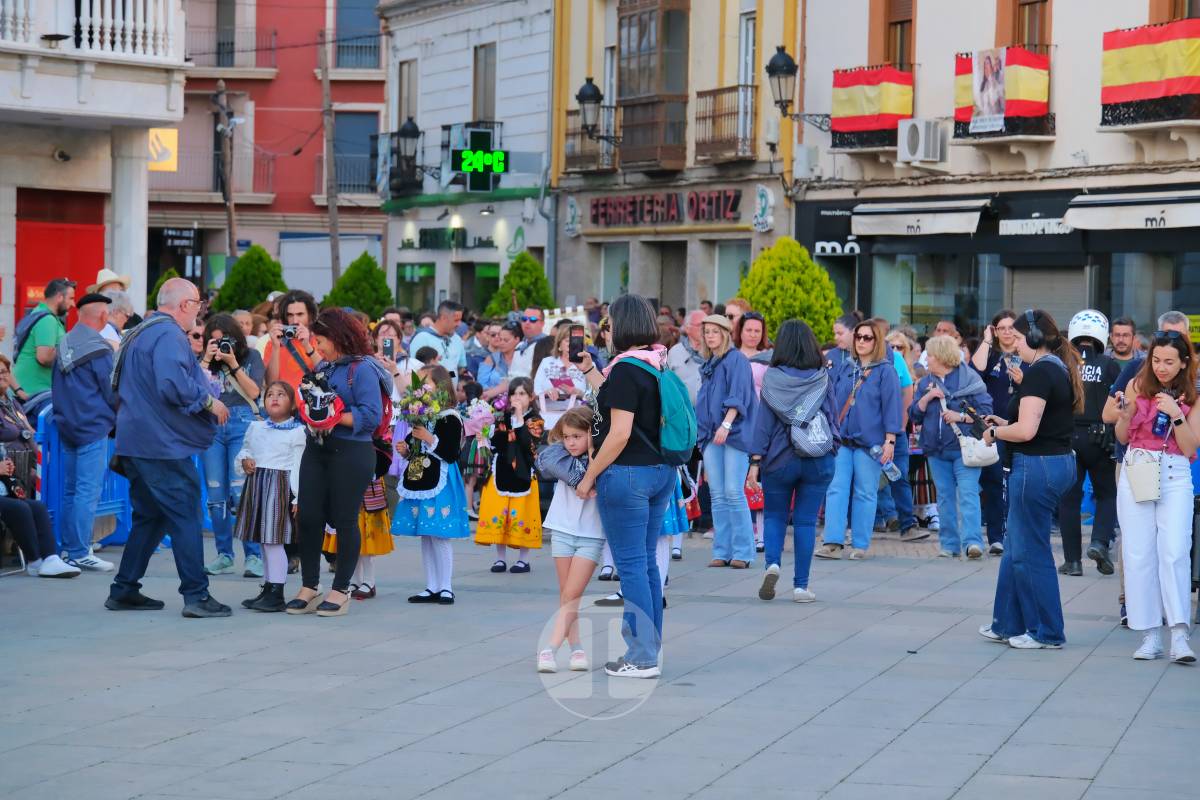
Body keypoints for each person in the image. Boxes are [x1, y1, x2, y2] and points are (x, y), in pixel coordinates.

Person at [106, 277, 233, 618]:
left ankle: (124, 589)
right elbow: (173, 385)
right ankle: (196, 596)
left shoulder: (141, 332)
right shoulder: (167, 335)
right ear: (183, 306)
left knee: (151, 517)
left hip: (137, 442)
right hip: (162, 445)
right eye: (197, 305)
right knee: (186, 516)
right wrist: (210, 402)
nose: (199, 311)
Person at [575, 294, 677, 679]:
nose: (607, 331)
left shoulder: (625, 370)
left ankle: (641, 655)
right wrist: (590, 372)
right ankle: (650, 647)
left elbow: (618, 433)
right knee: (646, 563)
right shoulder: (655, 364)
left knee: (631, 565)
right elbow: (620, 401)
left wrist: (588, 476)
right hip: (660, 472)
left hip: (628, 474)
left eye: (610, 323)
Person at [980, 309, 1082, 649]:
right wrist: (1003, 423)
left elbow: (1026, 430)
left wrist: (995, 431)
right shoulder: (1055, 368)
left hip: (1037, 466)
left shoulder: (1039, 372)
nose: (1015, 345)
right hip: (1053, 463)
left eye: (1020, 338)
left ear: (1036, 339)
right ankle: (1006, 623)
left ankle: (1047, 631)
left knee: (1030, 550)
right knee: (1015, 547)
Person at [288, 309, 390, 618]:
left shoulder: (362, 370)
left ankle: (341, 588)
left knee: (345, 520)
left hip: (352, 451)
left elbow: (371, 416)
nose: (318, 346)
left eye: (321, 340)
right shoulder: (329, 368)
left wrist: (334, 417)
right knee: (308, 516)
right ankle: (309, 586)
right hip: (317, 448)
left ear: (337, 338)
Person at [1112, 330, 1197, 664]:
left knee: (1175, 551)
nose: (1161, 368)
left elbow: (1191, 446)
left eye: (1169, 362)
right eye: (1156, 360)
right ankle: (1149, 634)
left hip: (1175, 472)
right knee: (1138, 553)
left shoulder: (1194, 392)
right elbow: (1122, 435)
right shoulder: (1137, 384)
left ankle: (1179, 633)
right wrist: (1125, 415)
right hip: (1137, 468)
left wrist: (1176, 413)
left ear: (1183, 363)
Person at [748, 320, 837, 603]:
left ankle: (772, 563)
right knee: (806, 521)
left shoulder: (772, 378)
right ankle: (801, 586)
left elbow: (762, 423)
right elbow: (833, 417)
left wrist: (755, 461)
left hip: (778, 458)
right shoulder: (823, 377)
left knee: (774, 515)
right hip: (816, 457)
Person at [817, 319, 901, 561]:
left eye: (868, 337)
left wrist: (890, 441)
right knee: (836, 489)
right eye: (859, 337)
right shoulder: (846, 368)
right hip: (843, 440)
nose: (862, 341)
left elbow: (892, 409)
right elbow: (831, 403)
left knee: (865, 492)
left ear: (877, 342)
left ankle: (860, 544)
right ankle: (832, 541)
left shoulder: (886, 371)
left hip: (871, 443)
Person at [51, 293, 118, 572]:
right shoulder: (99, 348)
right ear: (103, 317)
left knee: (71, 490)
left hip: (67, 425)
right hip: (93, 426)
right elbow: (111, 390)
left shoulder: (64, 343)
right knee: (87, 491)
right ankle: (80, 551)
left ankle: (69, 548)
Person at [394, 365, 471, 605]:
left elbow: (450, 453)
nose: (423, 388)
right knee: (425, 535)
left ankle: (446, 586)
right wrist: (406, 451)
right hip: (421, 480)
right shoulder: (422, 416)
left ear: (440, 387)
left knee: (438, 534)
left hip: (441, 481)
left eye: (427, 383)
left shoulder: (449, 417)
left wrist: (429, 438)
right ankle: (431, 586)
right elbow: (415, 447)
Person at [911, 335, 993, 560]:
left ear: (942, 357)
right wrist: (925, 399)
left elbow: (985, 412)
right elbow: (914, 415)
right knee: (945, 498)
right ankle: (949, 545)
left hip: (964, 448)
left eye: (931, 355)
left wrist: (961, 416)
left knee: (968, 494)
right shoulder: (926, 382)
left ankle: (973, 543)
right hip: (935, 450)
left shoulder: (969, 379)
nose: (926, 360)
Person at [535, 407, 603, 672]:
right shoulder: (560, 455)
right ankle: (576, 650)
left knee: (573, 593)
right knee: (567, 595)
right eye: (567, 436)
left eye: (577, 436)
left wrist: (594, 454)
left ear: (591, 434)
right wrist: (580, 481)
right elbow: (545, 459)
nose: (571, 442)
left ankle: (549, 649)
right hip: (561, 528)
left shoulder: (602, 458)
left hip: (592, 534)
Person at [199, 313, 266, 579]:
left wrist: (232, 363)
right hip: (211, 428)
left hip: (243, 426)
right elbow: (194, 388)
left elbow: (254, 392)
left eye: (223, 340)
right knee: (216, 497)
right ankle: (224, 555)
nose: (218, 346)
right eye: (213, 342)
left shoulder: (251, 357)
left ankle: (253, 556)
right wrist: (206, 358)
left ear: (235, 338)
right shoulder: (204, 362)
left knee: (242, 495)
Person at [1057, 310, 1121, 577]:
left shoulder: (1063, 363)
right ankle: (1099, 542)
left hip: (1068, 436)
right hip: (1100, 437)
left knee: (1069, 499)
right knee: (1106, 493)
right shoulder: (1110, 365)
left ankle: (1072, 561)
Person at [235, 381, 306, 612]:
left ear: (293, 404)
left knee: (273, 541)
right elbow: (246, 449)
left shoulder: (298, 432)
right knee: (264, 542)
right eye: (270, 395)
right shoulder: (256, 427)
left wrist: (298, 497)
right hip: (257, 485)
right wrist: (245, 460)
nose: (274, 398)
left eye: (281, 395)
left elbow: (298, 466)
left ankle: (277, 592)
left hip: (279, 487)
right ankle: (268, 587)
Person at [696, 314, 757, 569]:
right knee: (718, 494)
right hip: (710, 433)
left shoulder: (737, 360)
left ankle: (743, 551)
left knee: (733, 491)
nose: (710, 335)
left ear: (725, 333)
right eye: (707, 331)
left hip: (733, 432)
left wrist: (726, 424)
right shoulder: (710, 362)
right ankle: (722, 550)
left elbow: (739, 395)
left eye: (715, 331)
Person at [475, 377, 544, 573]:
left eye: (522, 394)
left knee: (521, 514)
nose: (517, 398)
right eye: (514, 393)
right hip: (501, 470)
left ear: (531, 397)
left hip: (523, 472)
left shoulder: (536, 420)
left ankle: (524, 559)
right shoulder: (501, 417)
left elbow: (528, 444)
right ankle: (500, 558)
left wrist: (520, 418)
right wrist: (486, 436)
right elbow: (498, 442)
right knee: (500, 513)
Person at [970, 310, 1024, 554]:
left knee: (1016, 483)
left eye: (1011, 327)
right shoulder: (990, 355)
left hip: (1020, 425)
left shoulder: (1026, 354)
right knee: (994, 482)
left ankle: (1015, 532)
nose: (1007, 332)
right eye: (1001, 328)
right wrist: (987, 340)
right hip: (992, 428)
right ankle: (996, 537)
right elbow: (975, 370)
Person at [13, 277, 75, 400]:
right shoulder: (47, 320)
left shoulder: (37, 312)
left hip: (28, 392)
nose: (73, 304)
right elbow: (44, 357)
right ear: (59, 297)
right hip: (34, 396)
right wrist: (71, 352)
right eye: (71, 298)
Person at [533, 325, 588, 429]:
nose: (571, 345)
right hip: (548, 419)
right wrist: (547, 392)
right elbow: (535, 392)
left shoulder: (589, 364)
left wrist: (579, 393)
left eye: (575, 341)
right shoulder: (547, 362)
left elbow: (596, 395)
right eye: (567, 341)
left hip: (578, 419)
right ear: (559, 344)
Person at [264, 290, 319, 390]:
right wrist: (276, 347)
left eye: (300, 314)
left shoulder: (320, 340)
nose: (295, 321)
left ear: (310, 315)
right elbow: (271, 383)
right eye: (290, 315)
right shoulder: (274, 343)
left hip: (312, 403)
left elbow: (328, 373)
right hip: (287, 403)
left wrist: (307, 345)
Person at [407, 300, 467, 382]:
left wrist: (449, 377)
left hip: (452, 393)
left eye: (460, 320)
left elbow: (460, 368)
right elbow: (415, 370)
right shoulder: (422, 338)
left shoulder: (457, 339)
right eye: (456, 320)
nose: (459, 324)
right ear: (443, 318)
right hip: (429, 393)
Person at [665, 310, 705, 404]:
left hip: (709, 415)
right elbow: (667, 386)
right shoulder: (675, 353)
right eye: (700, 325)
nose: (705, 328)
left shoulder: (715, 353)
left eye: (707, 324)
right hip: (682, 413)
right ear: (687, 328)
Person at [479, 321, 521, 399]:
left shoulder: (523, 357)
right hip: (493, 401)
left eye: (506, 340)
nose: (501, 343)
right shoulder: (491, 358)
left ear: (517, 339)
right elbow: (481, 383)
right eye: (500, 339)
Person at [509, 307, 548, 379]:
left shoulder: (548, 345)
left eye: (533, 319)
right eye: (524, 319)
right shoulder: (519, 346)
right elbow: (511, 377)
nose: (527, 322)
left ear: (542, 323)